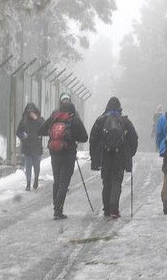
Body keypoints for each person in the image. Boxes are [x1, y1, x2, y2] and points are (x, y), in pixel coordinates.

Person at [39, 92, 88, 220]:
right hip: (68, 154)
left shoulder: (55, 116)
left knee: (57, 181)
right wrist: (73, 137)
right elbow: (84, 137)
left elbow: (42, 130)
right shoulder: (74, 117)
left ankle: (57, 207)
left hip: (54, 154)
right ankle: (57, 210)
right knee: (64, 183)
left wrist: (52, 133)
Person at [89, 96, 138, 219]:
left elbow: (93, 139)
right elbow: (134, 139)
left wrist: (94, 156)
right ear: (119, 107)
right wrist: (130, 154)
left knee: (106, 183)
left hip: (105, 156)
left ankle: (106, 209)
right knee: (116, 182)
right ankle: (114, 209)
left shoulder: (100, 120)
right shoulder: (125, 121)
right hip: (119, 156)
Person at [16, 102, 45, 191]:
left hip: (37, 146)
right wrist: (23, 137)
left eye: (32, 111)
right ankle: (28, 183)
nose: (30, 113)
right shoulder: (24, 120)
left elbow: (45, 128)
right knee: (28, 166)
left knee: (37, 166)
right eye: (29, 111)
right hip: (27, 147)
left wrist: (37, 119)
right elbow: (18, 132)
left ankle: (36, 179)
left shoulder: (40, 119)